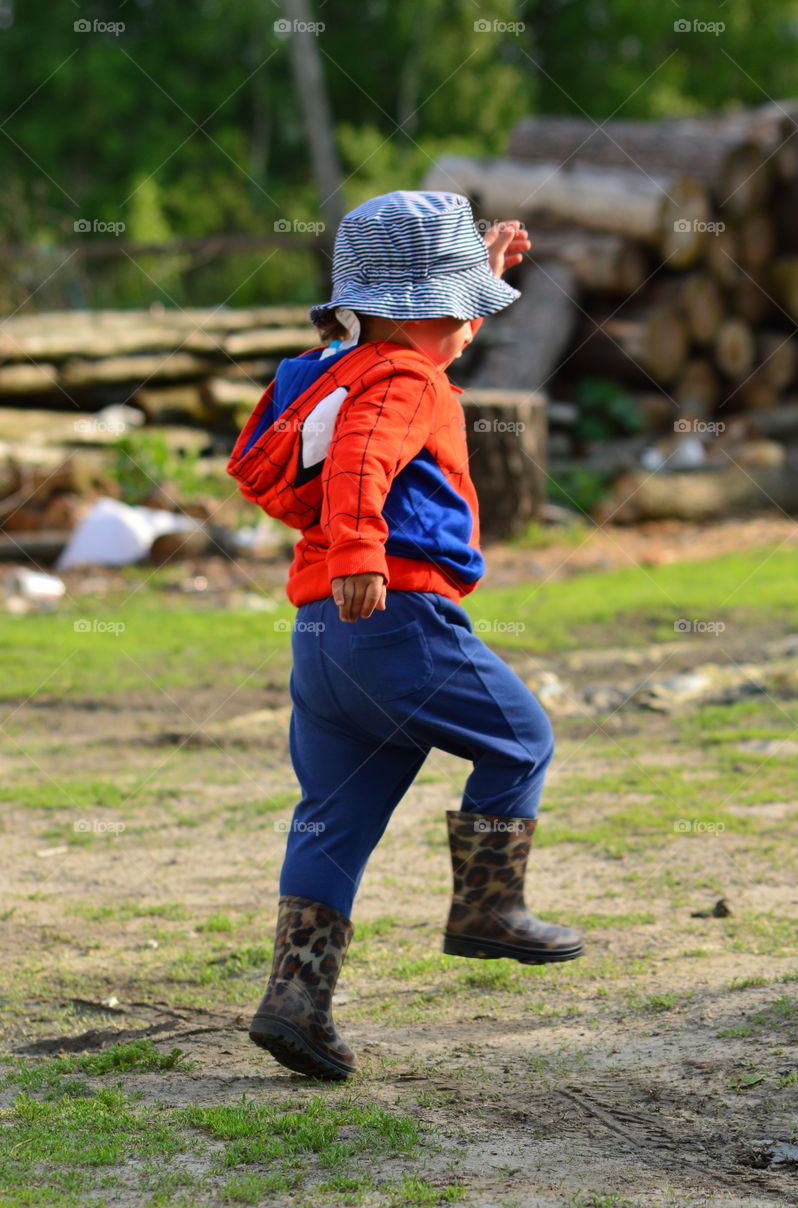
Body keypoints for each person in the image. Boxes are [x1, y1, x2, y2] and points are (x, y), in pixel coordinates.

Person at [227, 191, 583, 1083]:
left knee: (333, 816)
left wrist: (479, 271)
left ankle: (295, 1001)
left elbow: (360, 413)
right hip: (396, 617)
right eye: (466, 304)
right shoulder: (409, 381)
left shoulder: (331, 372)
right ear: (430, 307)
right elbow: (364, 460)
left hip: (322, 640)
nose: (474, 325)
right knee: (522, 739)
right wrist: (360, 548)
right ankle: (486, 909)